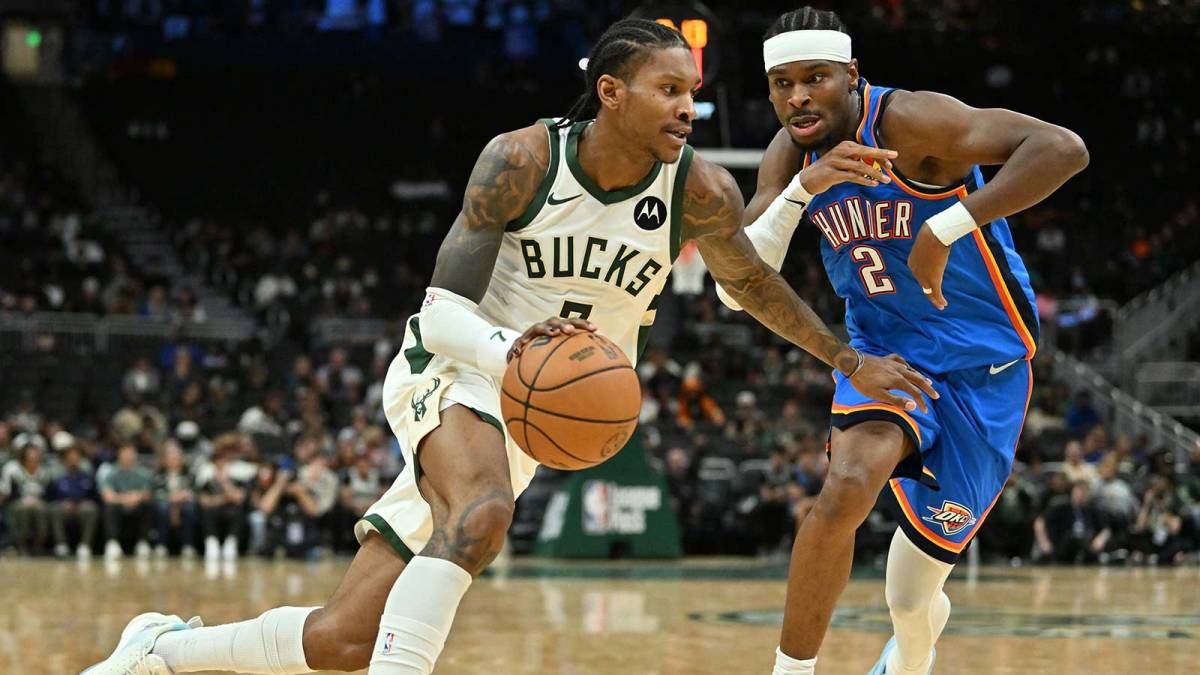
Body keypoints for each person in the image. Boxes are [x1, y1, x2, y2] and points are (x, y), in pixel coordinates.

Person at [86, 17, 927, 675]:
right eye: (669, 89)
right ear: (611, 92)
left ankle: (162, 649)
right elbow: (439, 314)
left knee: (343, 637)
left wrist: (847, 359)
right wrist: (514, 350)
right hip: (457, 366)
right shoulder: (521, 160)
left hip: (530, 410)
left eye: (692, 92)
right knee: (483, 512)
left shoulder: (699, 189)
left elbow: (747, 286)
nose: (687, 108)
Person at [714, 7, 1087, 674]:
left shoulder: (911, 121)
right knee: (846, 486)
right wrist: (801, 189)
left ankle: (909, 662)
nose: (798, 97)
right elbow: (733, 286)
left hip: (985, 366)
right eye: (782, 83)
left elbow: (1063, 148)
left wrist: (944, 227)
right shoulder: (789, 154)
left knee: (911, 599)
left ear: (852, 76)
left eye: (815, 78)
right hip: (883, 356)